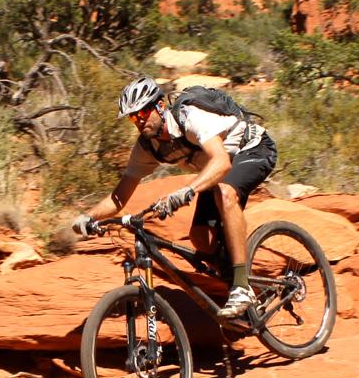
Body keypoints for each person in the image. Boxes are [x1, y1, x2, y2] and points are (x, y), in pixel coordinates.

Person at [72, 76, 277, 318]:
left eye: (141, 114)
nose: (138, 122)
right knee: (201, 238)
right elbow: (119, 197)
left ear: (159, 106)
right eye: (132, 118)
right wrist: (88, 216)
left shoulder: (189, 118)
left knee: (225, 193)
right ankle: (251, 289)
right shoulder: (147, 147)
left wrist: (187, 190)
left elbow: (221, 162)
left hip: (252, 148)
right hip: (221, 168)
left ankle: (242, 287)